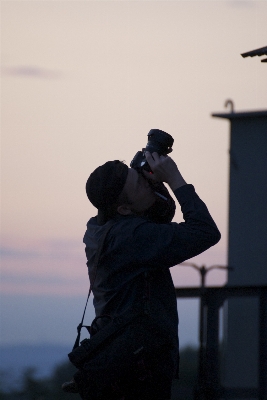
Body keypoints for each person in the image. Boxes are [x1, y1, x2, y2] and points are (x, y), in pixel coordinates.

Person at [63, 150, 221, 399]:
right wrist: (175, 179)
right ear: (124, 208)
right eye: (138, 182)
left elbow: (159, 214)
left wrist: (153, 181)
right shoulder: (132, 237)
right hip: (138, 368)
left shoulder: (100, 227)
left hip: (122, 359)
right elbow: (205, 232)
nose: (145, 181)